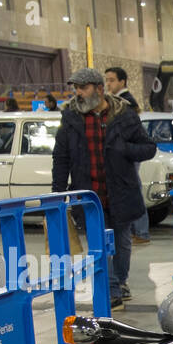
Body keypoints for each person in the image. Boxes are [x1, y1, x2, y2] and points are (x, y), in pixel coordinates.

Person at [51, 67, 157, 308]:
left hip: (120, 191)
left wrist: (125, 149)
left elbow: (148, 148)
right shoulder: (70, 118)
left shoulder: (124, 114)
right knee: (98, 243)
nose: (78, 93)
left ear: (99, 89)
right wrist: (58, 192)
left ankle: (120, 281)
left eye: (83, 87)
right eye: (76, 88)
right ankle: (111, 289)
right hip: (89, 195)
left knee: (121, 242)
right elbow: (61, 156)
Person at [105, 66, 148, 244]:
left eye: (112, 80)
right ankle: (137, 231)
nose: (108, 83)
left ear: (122, 81)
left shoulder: (126, 102)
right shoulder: (119, 100)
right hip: (124, 152)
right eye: (106, 80)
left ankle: (141, 232)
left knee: (133, 189)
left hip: (127, 153)